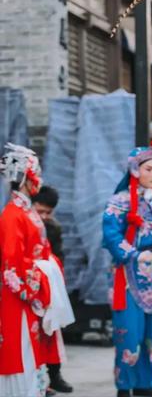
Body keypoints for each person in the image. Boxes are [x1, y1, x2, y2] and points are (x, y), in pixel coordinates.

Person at [102, 147, 152, 397]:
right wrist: (132, 254)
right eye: (148, 169)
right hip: (126, 273)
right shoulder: (119, 201)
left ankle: (145, 383)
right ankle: (125, 385)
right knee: (128, 332)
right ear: (135, 170)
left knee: (149, 333)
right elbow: (110, 235)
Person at [0, 144, 51, 397]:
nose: (39, 178)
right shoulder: (12, 214)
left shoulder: (25, 210)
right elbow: (10, 260)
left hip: (31, 286)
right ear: (26, 176)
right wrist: (28, 288)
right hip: (19, 292)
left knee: (32, 347)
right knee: (21, 348)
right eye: (37, 171)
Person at [32, 186, 74, 394]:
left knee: (53, 332)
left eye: (48, 213)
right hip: (30, 281)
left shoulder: (53, 228)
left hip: (48, 281)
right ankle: (39, 380)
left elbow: (58, 256)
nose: (44, 217)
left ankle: (54, 374)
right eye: (40, 211)